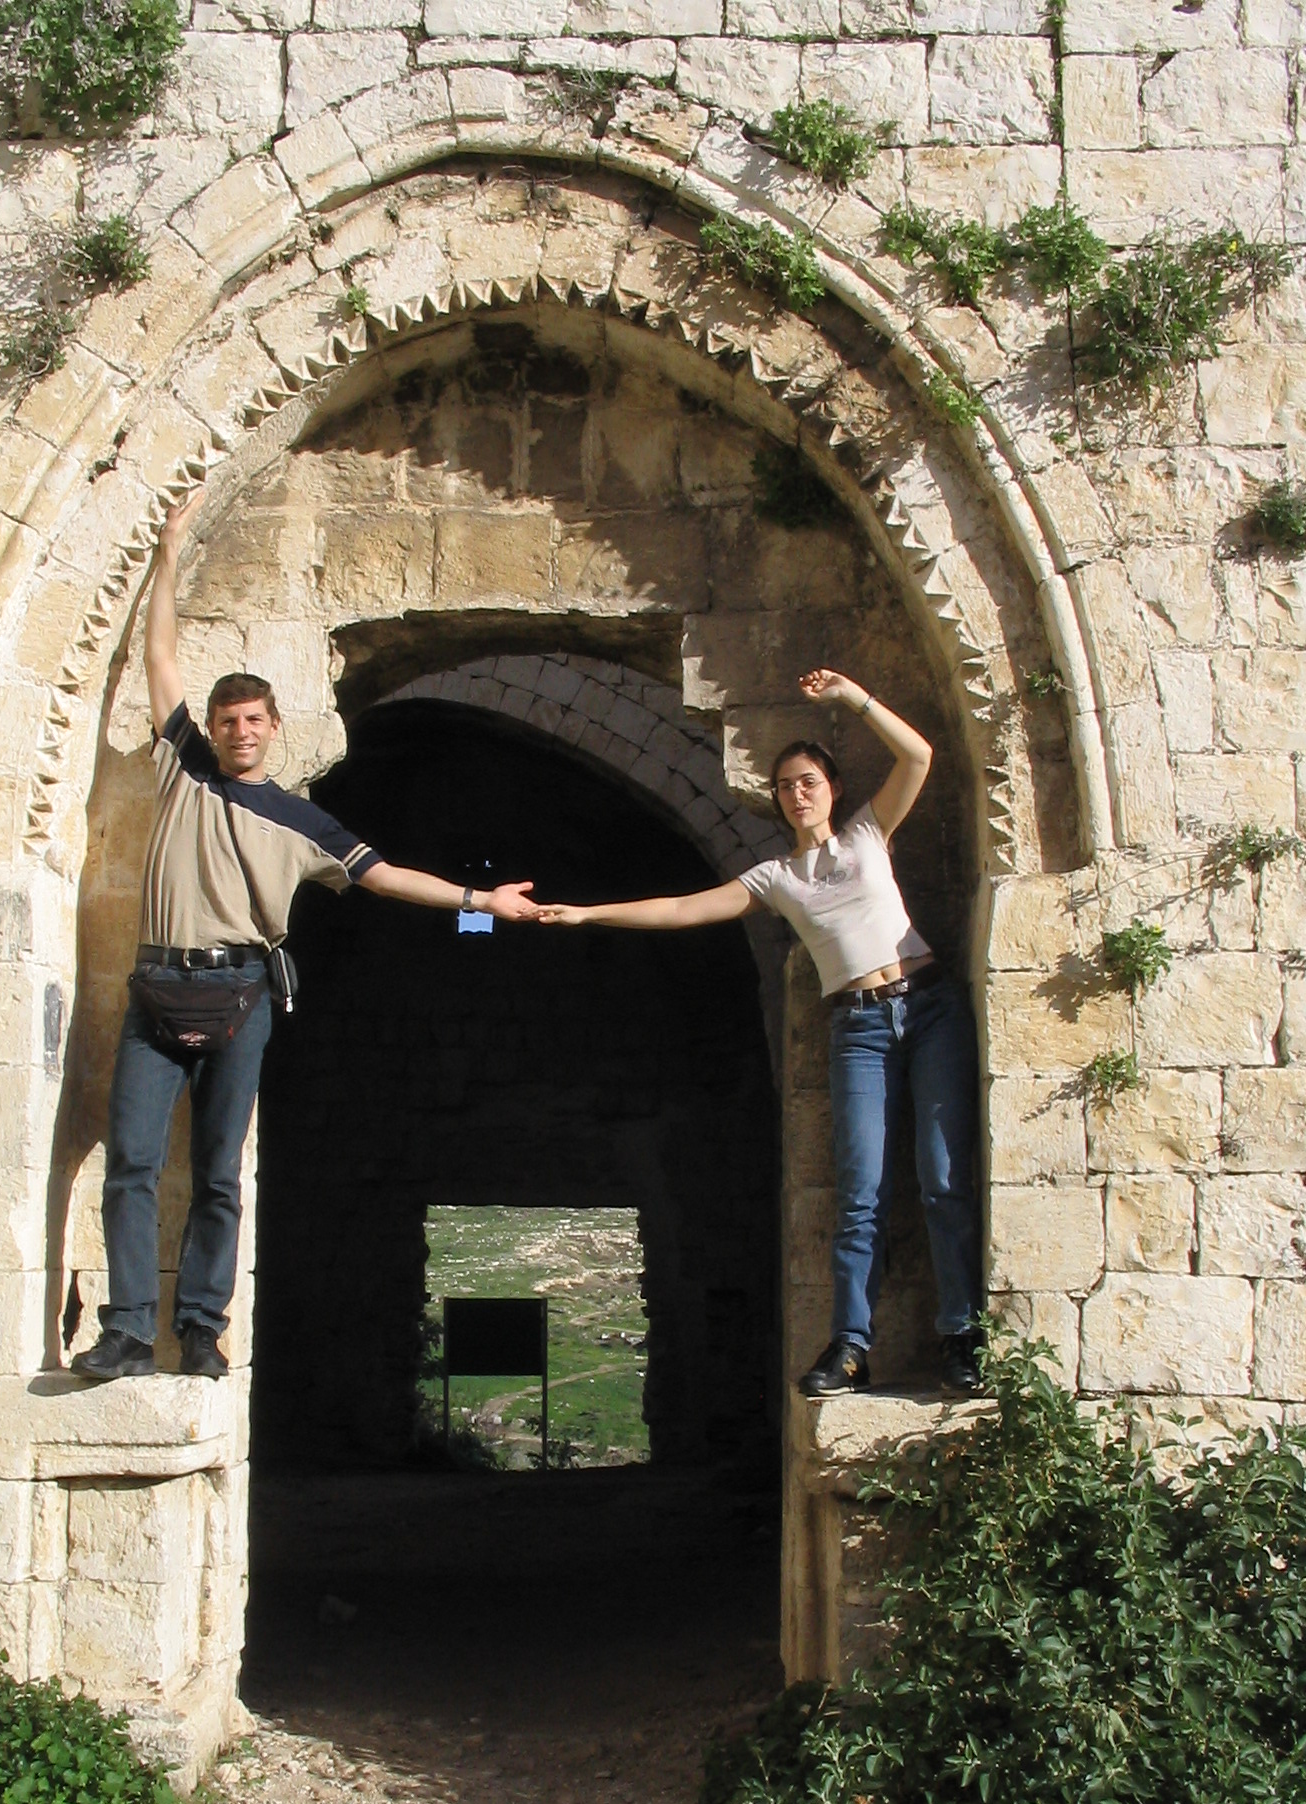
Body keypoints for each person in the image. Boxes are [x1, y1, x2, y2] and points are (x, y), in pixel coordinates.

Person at [72, 491, 541, 1384]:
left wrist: (483, 902)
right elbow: (159, 657)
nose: (239, 733)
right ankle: (127, 1332)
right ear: (212, 730)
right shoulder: (184, 769)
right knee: (130, 1163)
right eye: (227, 721)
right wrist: (168, 553)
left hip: (241, 994)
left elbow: (388, 878)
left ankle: (200, 1331)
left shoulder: (304, 822)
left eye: (253, 721)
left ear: (275, 729)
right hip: (157, 989)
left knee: (219, 1173)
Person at [536, 668, 981, 1398]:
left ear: (832, 788)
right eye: (785, 787)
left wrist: (854, 697)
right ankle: (850, 1347)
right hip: (859, 1028)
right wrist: (589, 913)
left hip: (929, 1007)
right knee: (860, 1195)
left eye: (809, 782)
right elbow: (683, 909)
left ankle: (961, 1335)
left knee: (943, 1180)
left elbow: (918, 756)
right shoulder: (778, 876)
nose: (797, 794)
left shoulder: (868, 835)